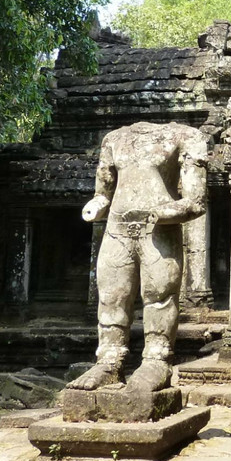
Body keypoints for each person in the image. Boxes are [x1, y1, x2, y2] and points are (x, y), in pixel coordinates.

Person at [68, 122, 208, 393]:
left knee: (159, 294)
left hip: (158, 228)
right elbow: (103, 192)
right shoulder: (114, 139)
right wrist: (96, 205)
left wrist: (163, 213)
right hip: (117, 228)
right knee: (111, 294)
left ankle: (157, 359)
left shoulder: (185, 136)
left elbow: (195, 200)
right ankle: (109, 360)